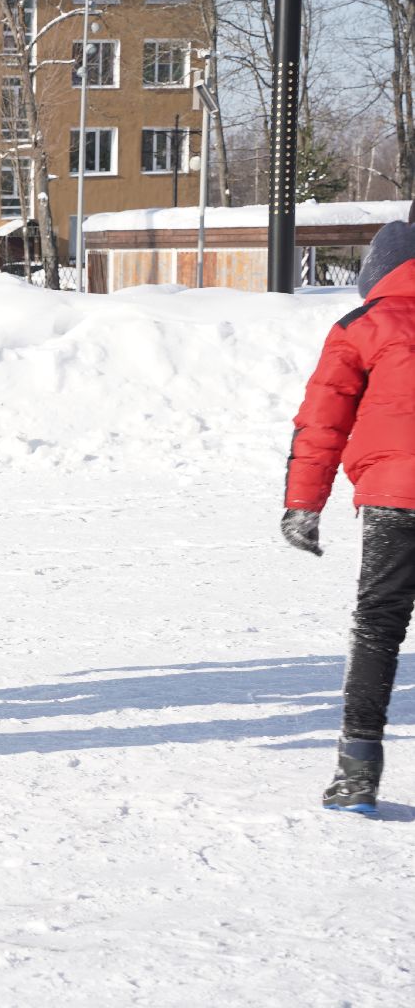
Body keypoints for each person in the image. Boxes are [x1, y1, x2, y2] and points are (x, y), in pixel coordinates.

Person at [284, 201, 415, 815]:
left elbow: (322, 423)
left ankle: (358, 773)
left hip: (396, 499)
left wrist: (304, 505)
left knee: (379, 628)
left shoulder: (362, 326)